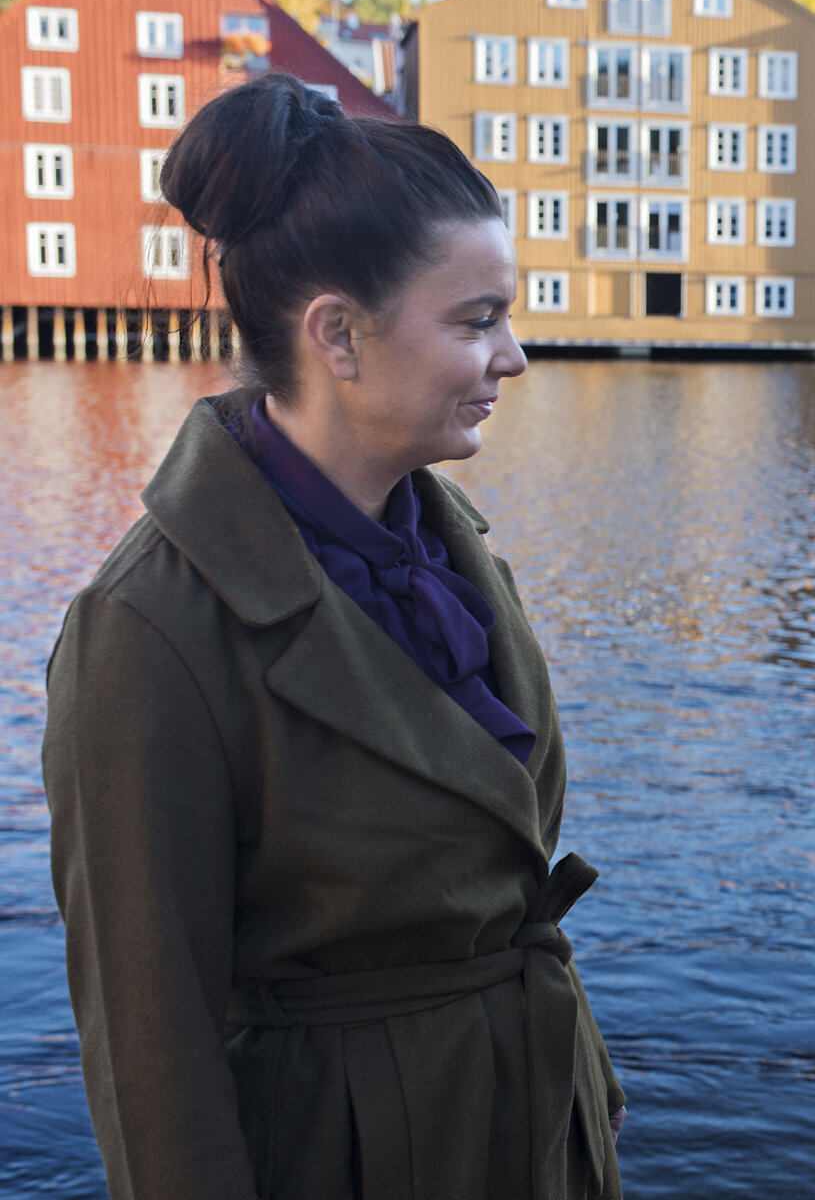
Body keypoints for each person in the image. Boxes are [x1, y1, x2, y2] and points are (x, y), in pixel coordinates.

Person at [41, 74, 624, 1200]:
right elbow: (150, 1062)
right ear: (338, 337)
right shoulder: (147, 630)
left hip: (532, 1136)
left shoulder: (452, 553)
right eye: (477, 320)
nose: (514, 357)